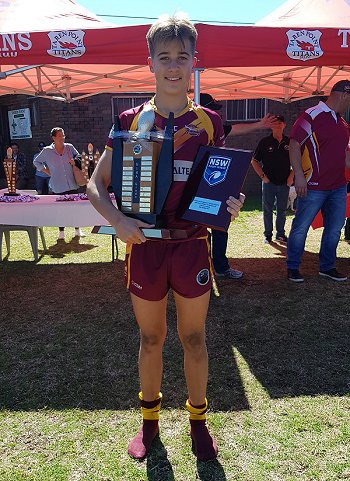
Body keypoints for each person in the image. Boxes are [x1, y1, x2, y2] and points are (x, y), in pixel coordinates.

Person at [87, 14, 245, 462]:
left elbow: (222, 181)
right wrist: (118, 222)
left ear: (195, 61)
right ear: (150, 62)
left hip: (192, 244)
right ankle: (149, 422)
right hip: (147, 248)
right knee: (151, 339)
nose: (173, 66)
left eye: (182, 57)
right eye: (164, 57)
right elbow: (95, 185)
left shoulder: (211, 120)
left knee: (194, 338)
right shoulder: (129, 119)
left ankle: (198, 422)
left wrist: (230, 203)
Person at [199, 92, 277, 279]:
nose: (218, 115)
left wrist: (259, 125)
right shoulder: (190, 127)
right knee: (198, 229)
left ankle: (220, 266)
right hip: (196, 184)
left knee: (220, 225)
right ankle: (200, 266)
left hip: (216, 181)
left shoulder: (216, 126)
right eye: (213, 109)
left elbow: (235, 128)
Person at [287, 80, 350, 282]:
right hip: (314, 186)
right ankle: (293, 267)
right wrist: (298, 176)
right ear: (343, 95)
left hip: (338, 186)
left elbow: (345, 155)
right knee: (301, 227)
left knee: (334, 228)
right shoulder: (312, 115)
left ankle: (327, 266)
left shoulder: (342, 123)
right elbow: (294, 144)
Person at [33, 127, 85, 240]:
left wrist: (75, 161)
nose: (62, 138)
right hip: (58, 185)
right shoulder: (47, 151)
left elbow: (79, 156)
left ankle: (77, 230)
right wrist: (46, 171)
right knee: (61, 210)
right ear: (53, 138)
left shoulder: (69, 147)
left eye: (63, 136)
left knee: (75, 208)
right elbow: (36, 161)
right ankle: (61, 233)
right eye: (60, 136)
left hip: (72, 183)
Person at [251, 115, 294, 244]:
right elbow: (254, 161)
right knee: (267, 210)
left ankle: (280, 234)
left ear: (284, 125)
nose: (278, 125)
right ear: (271, 126)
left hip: (284, 182)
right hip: (269, 182)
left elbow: (297, 162)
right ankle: (267, 235)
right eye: (275, 123)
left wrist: (291, 177)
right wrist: (263, 177)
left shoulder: (290, 142)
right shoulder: (264, 142)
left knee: (282, 210)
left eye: (280, 123)